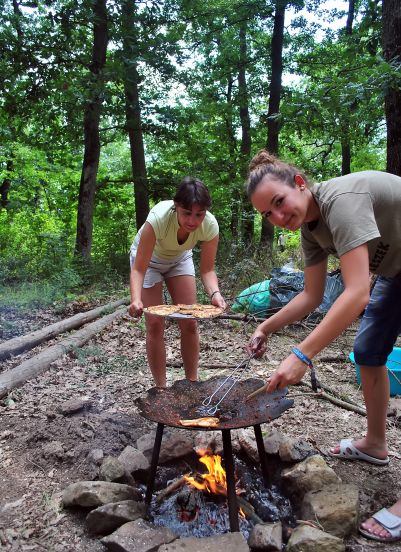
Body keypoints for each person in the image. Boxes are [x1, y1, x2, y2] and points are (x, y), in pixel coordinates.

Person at [246, 149, 401, 543]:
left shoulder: (341, 203)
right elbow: (312, 296)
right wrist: (267, 325)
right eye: (268, 214)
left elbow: (355, 294)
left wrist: (301, 355)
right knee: (368, 352)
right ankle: (376, 443)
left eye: (279, 203)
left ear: (300, 183)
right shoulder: (310, 230)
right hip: (395, 271)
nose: (278, 217)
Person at [129, 177, 226, 388]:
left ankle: (192, 385)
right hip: (149, 263)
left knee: (189, 321)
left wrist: (215, 294)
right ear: (176, 207)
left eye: (199, 214)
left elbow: (208, 270)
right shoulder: (158, 219)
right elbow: (139, 268)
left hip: (180, 259)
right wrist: (136, 299)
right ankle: (161, 390)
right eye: (187, 213)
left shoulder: (209, 226)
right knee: (155, 324)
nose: (193, 221)